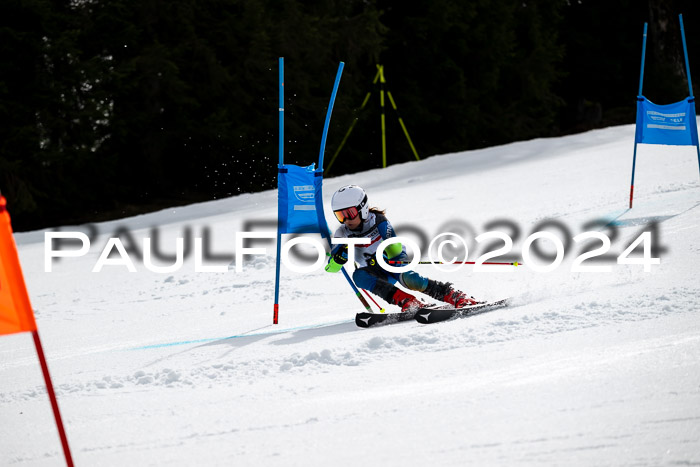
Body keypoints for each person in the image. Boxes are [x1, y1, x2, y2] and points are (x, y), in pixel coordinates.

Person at [324, 185, 477, 312]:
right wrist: (338, 258)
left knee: (410, 280)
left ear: (362, 208)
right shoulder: (342, 233)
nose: (346, 220)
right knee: (358, 276)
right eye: (340, 215)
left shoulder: (379, 222)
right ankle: (407, 302)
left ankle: (454, 296)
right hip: (375, 274)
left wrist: (383, 257)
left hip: (394, 263)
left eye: (349, 213)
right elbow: (331, 268)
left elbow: (395, 249)